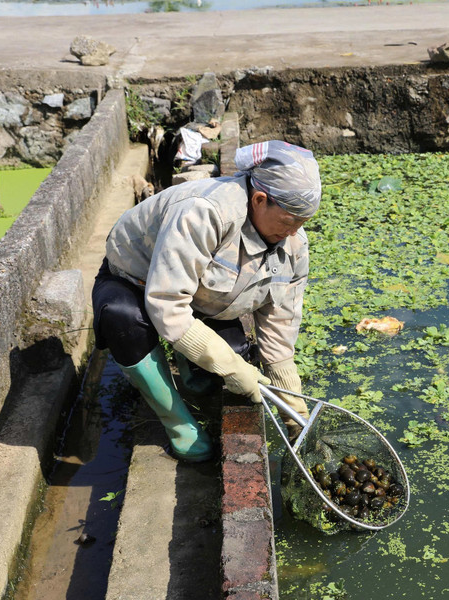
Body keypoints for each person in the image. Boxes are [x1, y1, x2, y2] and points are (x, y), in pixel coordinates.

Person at [91, 140, 319, 462]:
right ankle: (178, 424)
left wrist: (295, 412)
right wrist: (230, 367)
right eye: (288, 222)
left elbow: (279, 331)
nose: (294, 233)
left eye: (302, 223)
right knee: (122, 319)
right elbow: (167, 304)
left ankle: (190, 369)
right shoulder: (205, 212)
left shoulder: (293, 244)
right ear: (259, 199)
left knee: (226, 363)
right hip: (132, 280)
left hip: (197, 294)